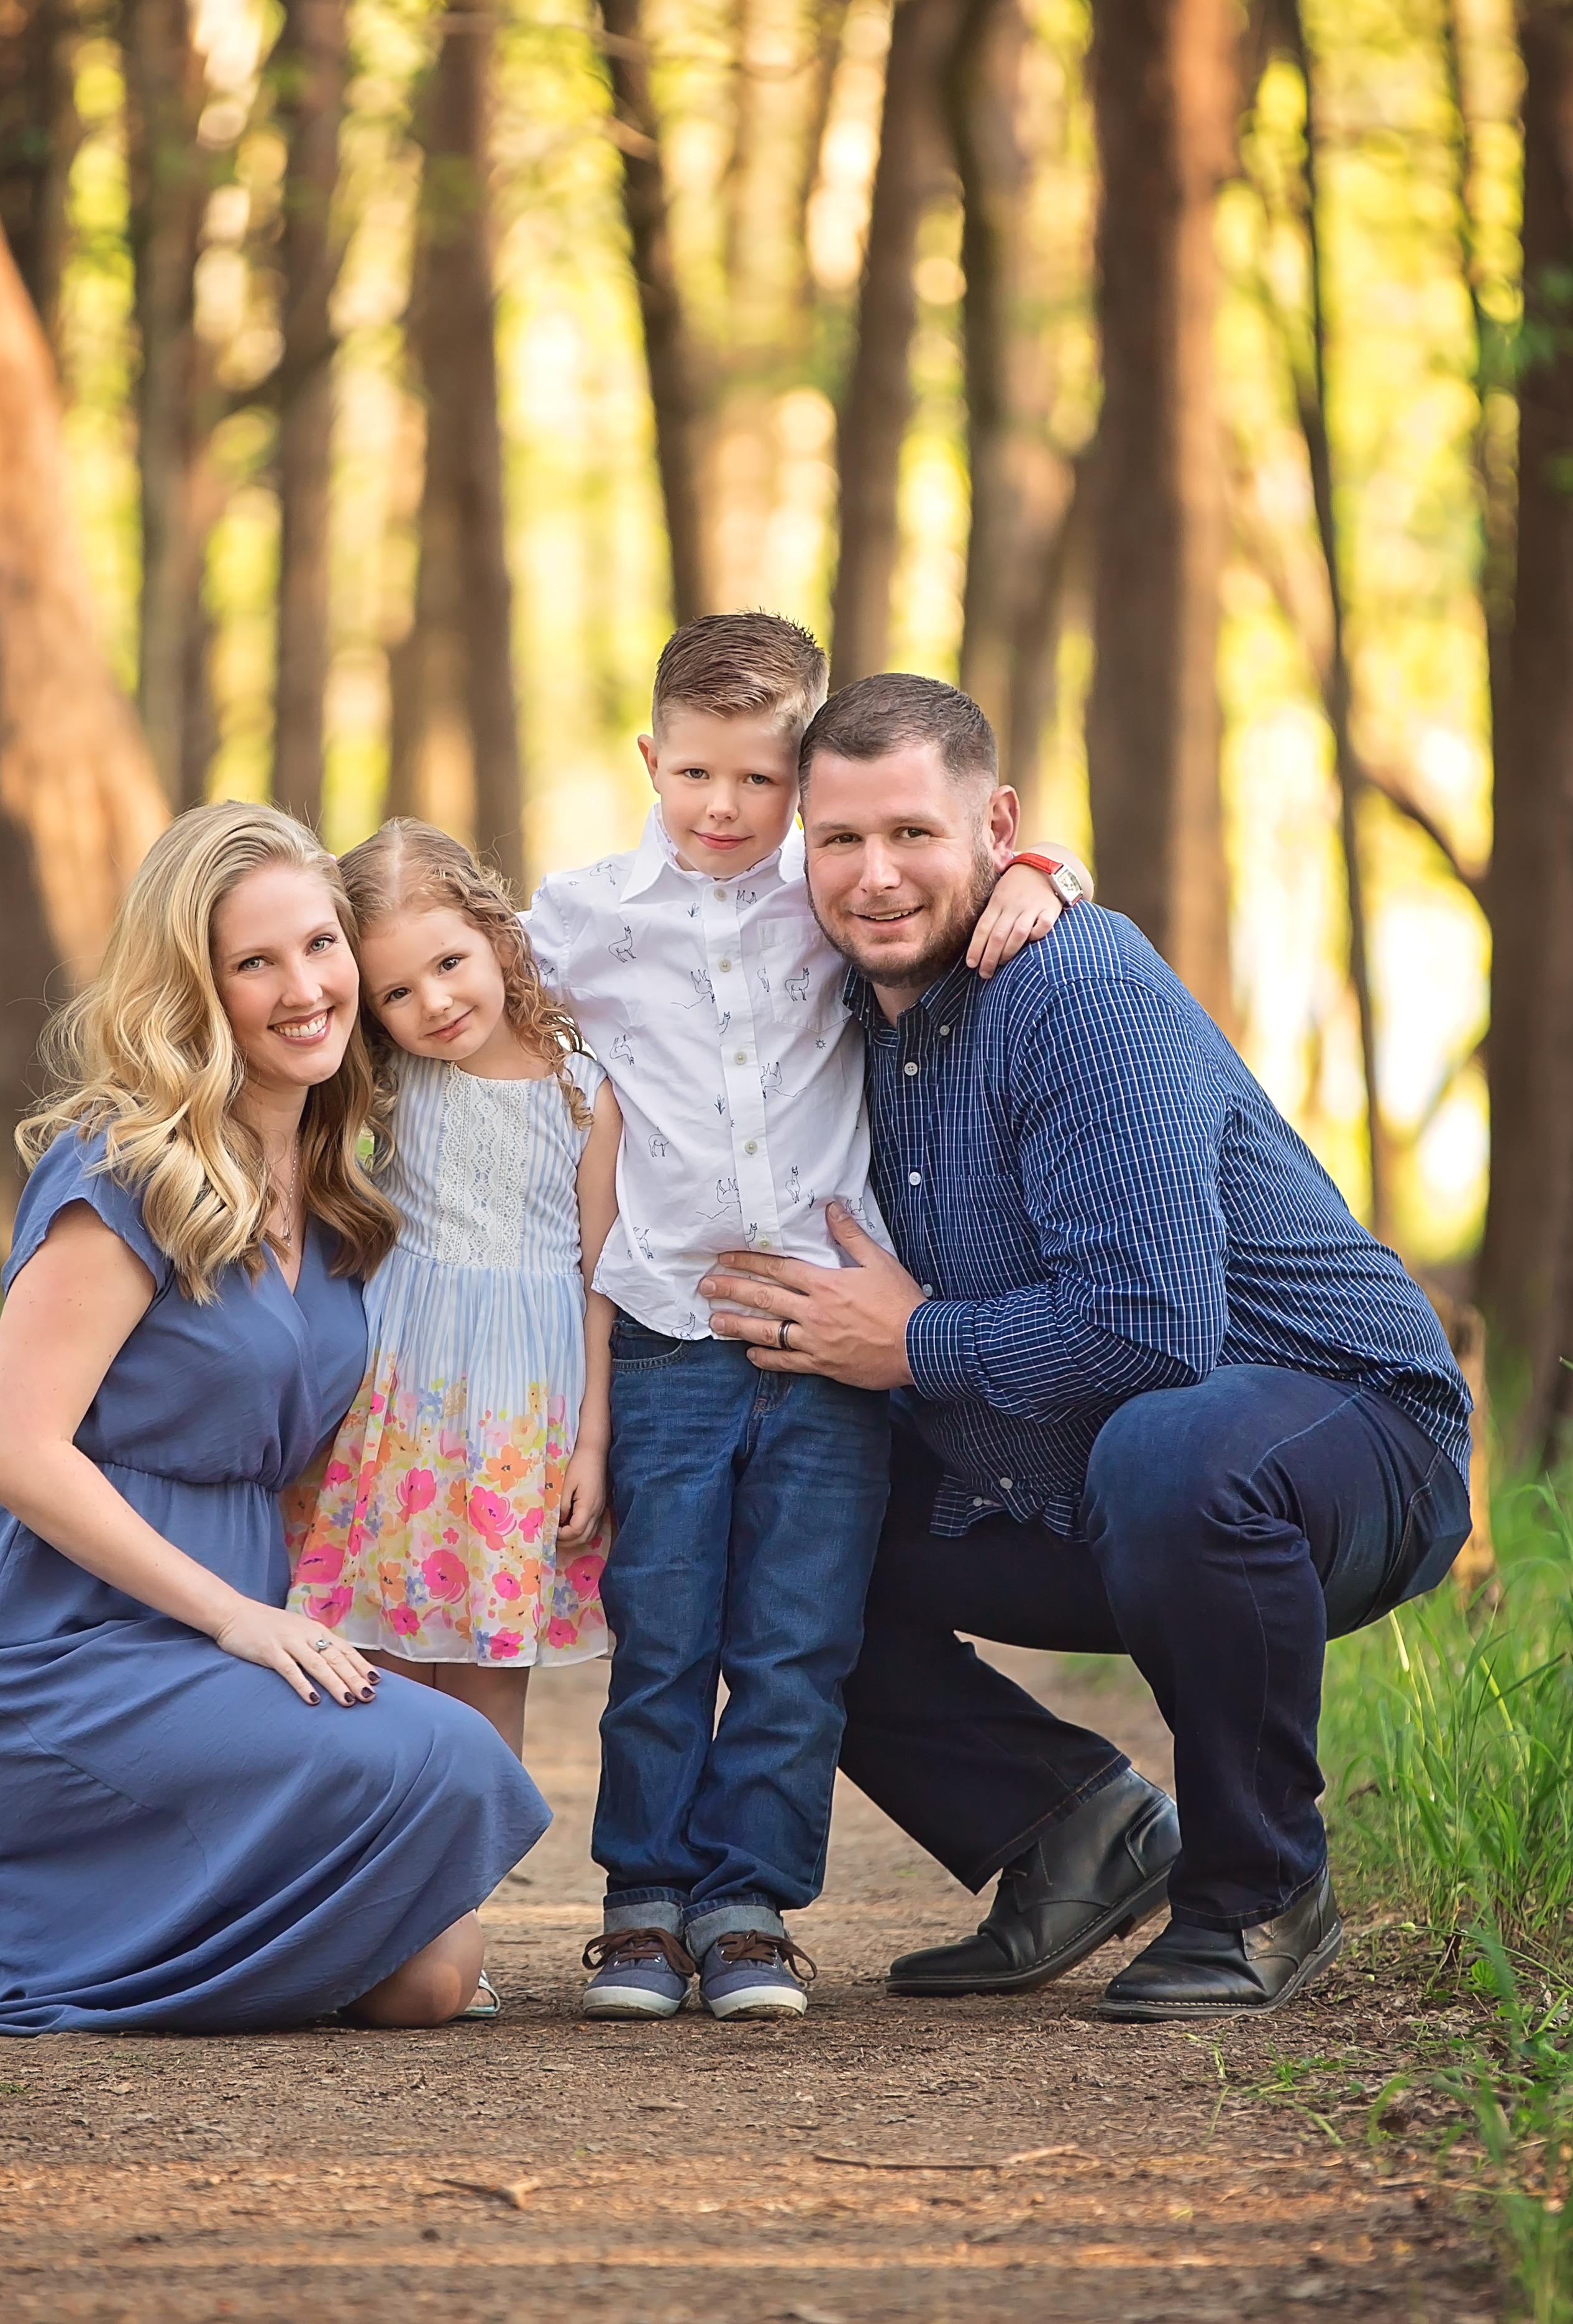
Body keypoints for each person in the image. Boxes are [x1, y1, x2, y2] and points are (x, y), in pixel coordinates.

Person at [699, 672, 1472, 2022]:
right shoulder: (824, 1001)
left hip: (1349, 1435)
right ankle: (1071, 1830)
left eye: (915, 835)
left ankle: (1262, 1889)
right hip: (1074, 1474)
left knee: (1172, 1447)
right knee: (757, 1515)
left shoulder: (1074, 987)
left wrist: (916, 1343)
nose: (876, 877)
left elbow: (1150, 1329)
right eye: (840, 840)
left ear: (996, 826)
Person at [0, 803, 548, 2038]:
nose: (304, 987)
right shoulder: (126, 1171)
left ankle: (141, 1942)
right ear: (195, 987)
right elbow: (15, 1447)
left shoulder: (336, 1181)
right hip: (62, 1650)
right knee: (460, 1760)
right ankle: (83, 1939)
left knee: (428, 1978)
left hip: (234, 1635)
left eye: (320, 946)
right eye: (254, 962)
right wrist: (240, 1619)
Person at [526, 614, 1087, 2023]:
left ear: (803, 781)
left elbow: (969, 869)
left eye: (761, 783)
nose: (724, 809)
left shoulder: (829, 893)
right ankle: (644, 1904)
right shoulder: (584, 916)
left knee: (795, 1633)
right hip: (668, 1329)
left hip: (832, 1342)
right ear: (651, 758)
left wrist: (1042, 871)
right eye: (695, 774)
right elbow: (463, 1004)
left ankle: (750, 1908)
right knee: (664, 1628)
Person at [286, 820, 622, 1765]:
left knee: (484, 1678)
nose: (431, 1002)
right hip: (393, 1401)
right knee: (368, 1667)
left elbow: (601, 1275)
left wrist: (593, 1438)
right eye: (395, 990)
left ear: (495, 933)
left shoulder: (586, 1090)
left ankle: (457, 1896)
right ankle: (368, 1882)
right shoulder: (385, 1081)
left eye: (448, 962)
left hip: (520, 1408)